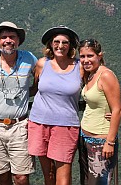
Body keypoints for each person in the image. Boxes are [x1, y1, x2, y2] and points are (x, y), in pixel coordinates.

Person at [0, 21, 37, 185]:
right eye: (3, 37)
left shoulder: (29, 58)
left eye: (12, 37)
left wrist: (28, 92)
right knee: (2, 176)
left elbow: (41, 79)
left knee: (22, 177)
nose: (8, 40)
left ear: (18, 40)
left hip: (20, 126)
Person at [28, 25, 81, 185]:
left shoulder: (79, 67)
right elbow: (35, 88)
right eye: (56, 42)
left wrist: (107, 110)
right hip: (39, 123)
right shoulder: (42, 64)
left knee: (63, 177)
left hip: (66, 125)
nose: (60, 45)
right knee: (48, 175)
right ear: (50, 44)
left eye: (65, 42)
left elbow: (94, 89)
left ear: (70, 46)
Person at [78, 39, 121, 185]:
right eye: (82, 56)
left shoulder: (106, 76)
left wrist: (110, 141)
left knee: (98, 182)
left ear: (100, 55)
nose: (86, 60)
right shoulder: (90, 74)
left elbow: (117, 109)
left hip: (101, 140)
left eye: (90, 56)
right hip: (85, 137)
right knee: (87, 181)